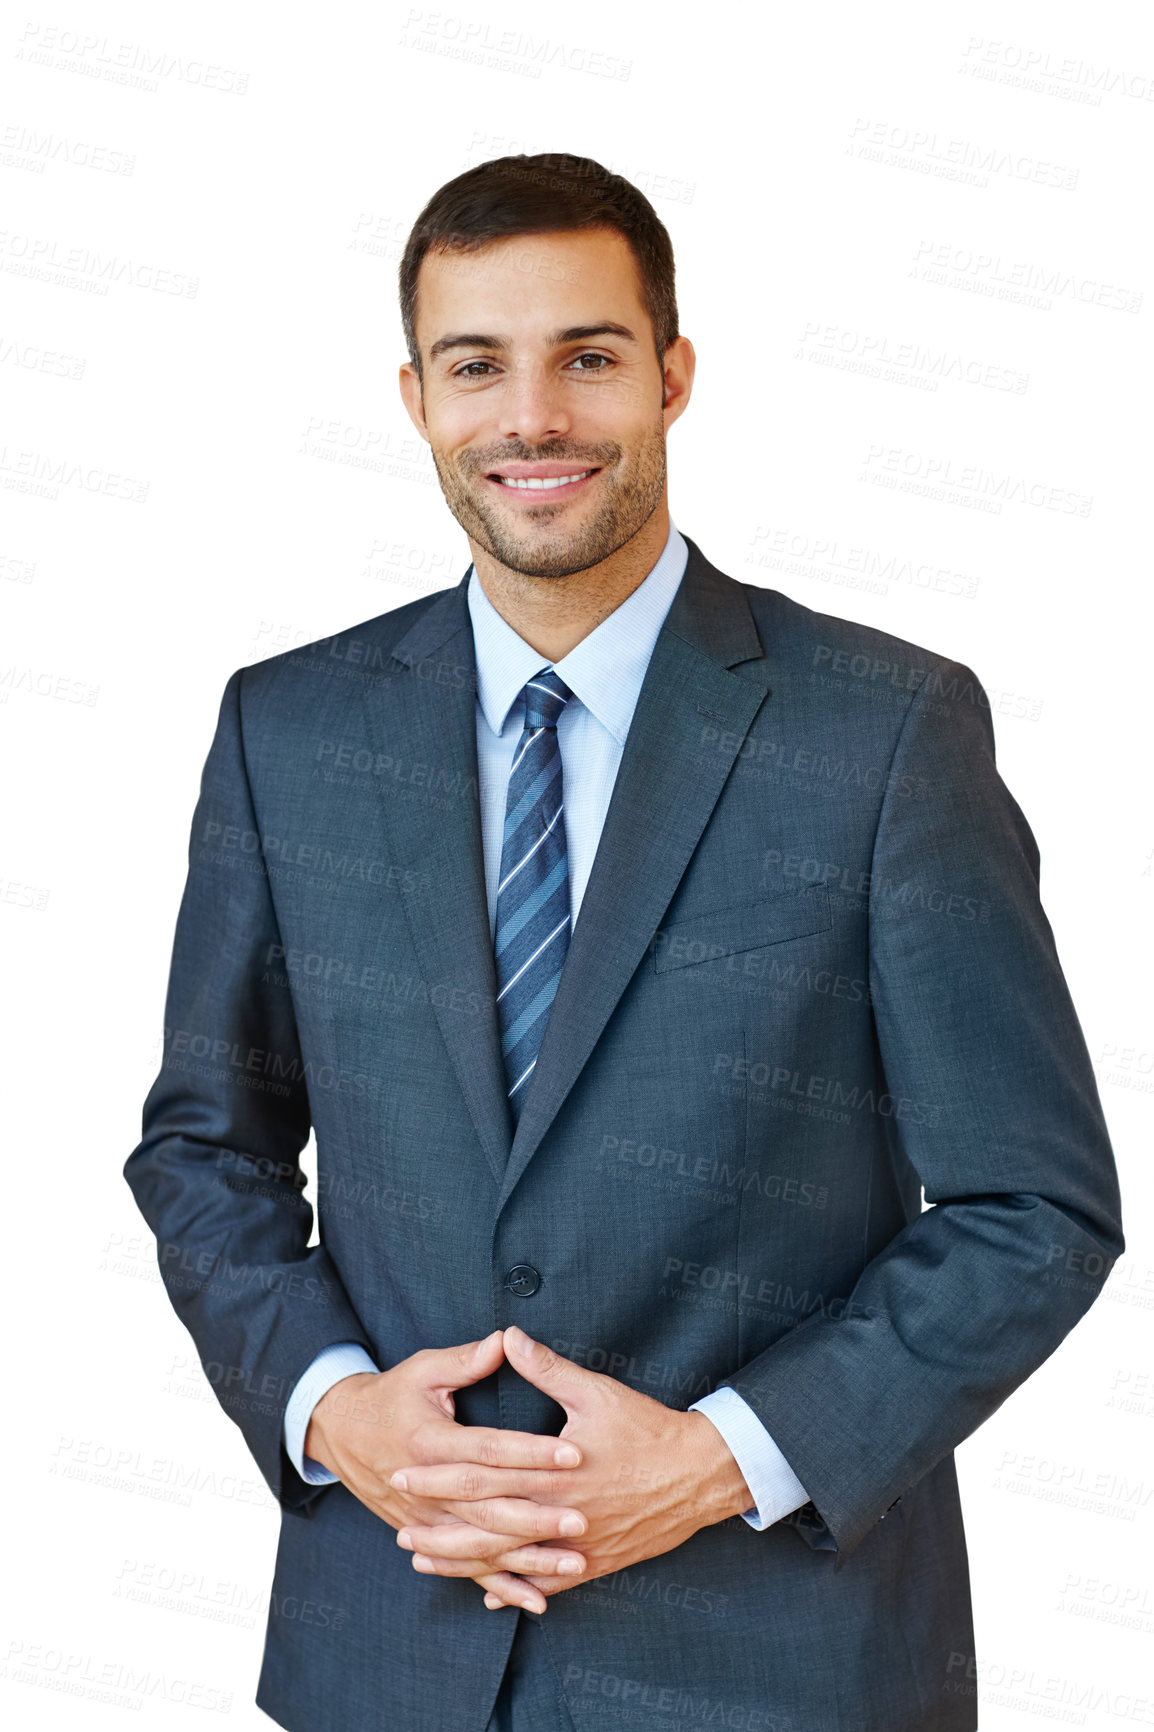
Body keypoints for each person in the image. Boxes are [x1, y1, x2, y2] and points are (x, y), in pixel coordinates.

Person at [124, 153, 1124, 1732]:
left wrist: (725, 1457)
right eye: (477, 365)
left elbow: (1031, 1208)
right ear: (414, 397)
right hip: (388, 1656)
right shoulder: (287, 731)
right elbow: (205, 1148)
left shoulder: (881, 733)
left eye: (586, 357)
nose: (532, 417)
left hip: (775, 1668)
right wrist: (335, 1414)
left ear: (669, 376)